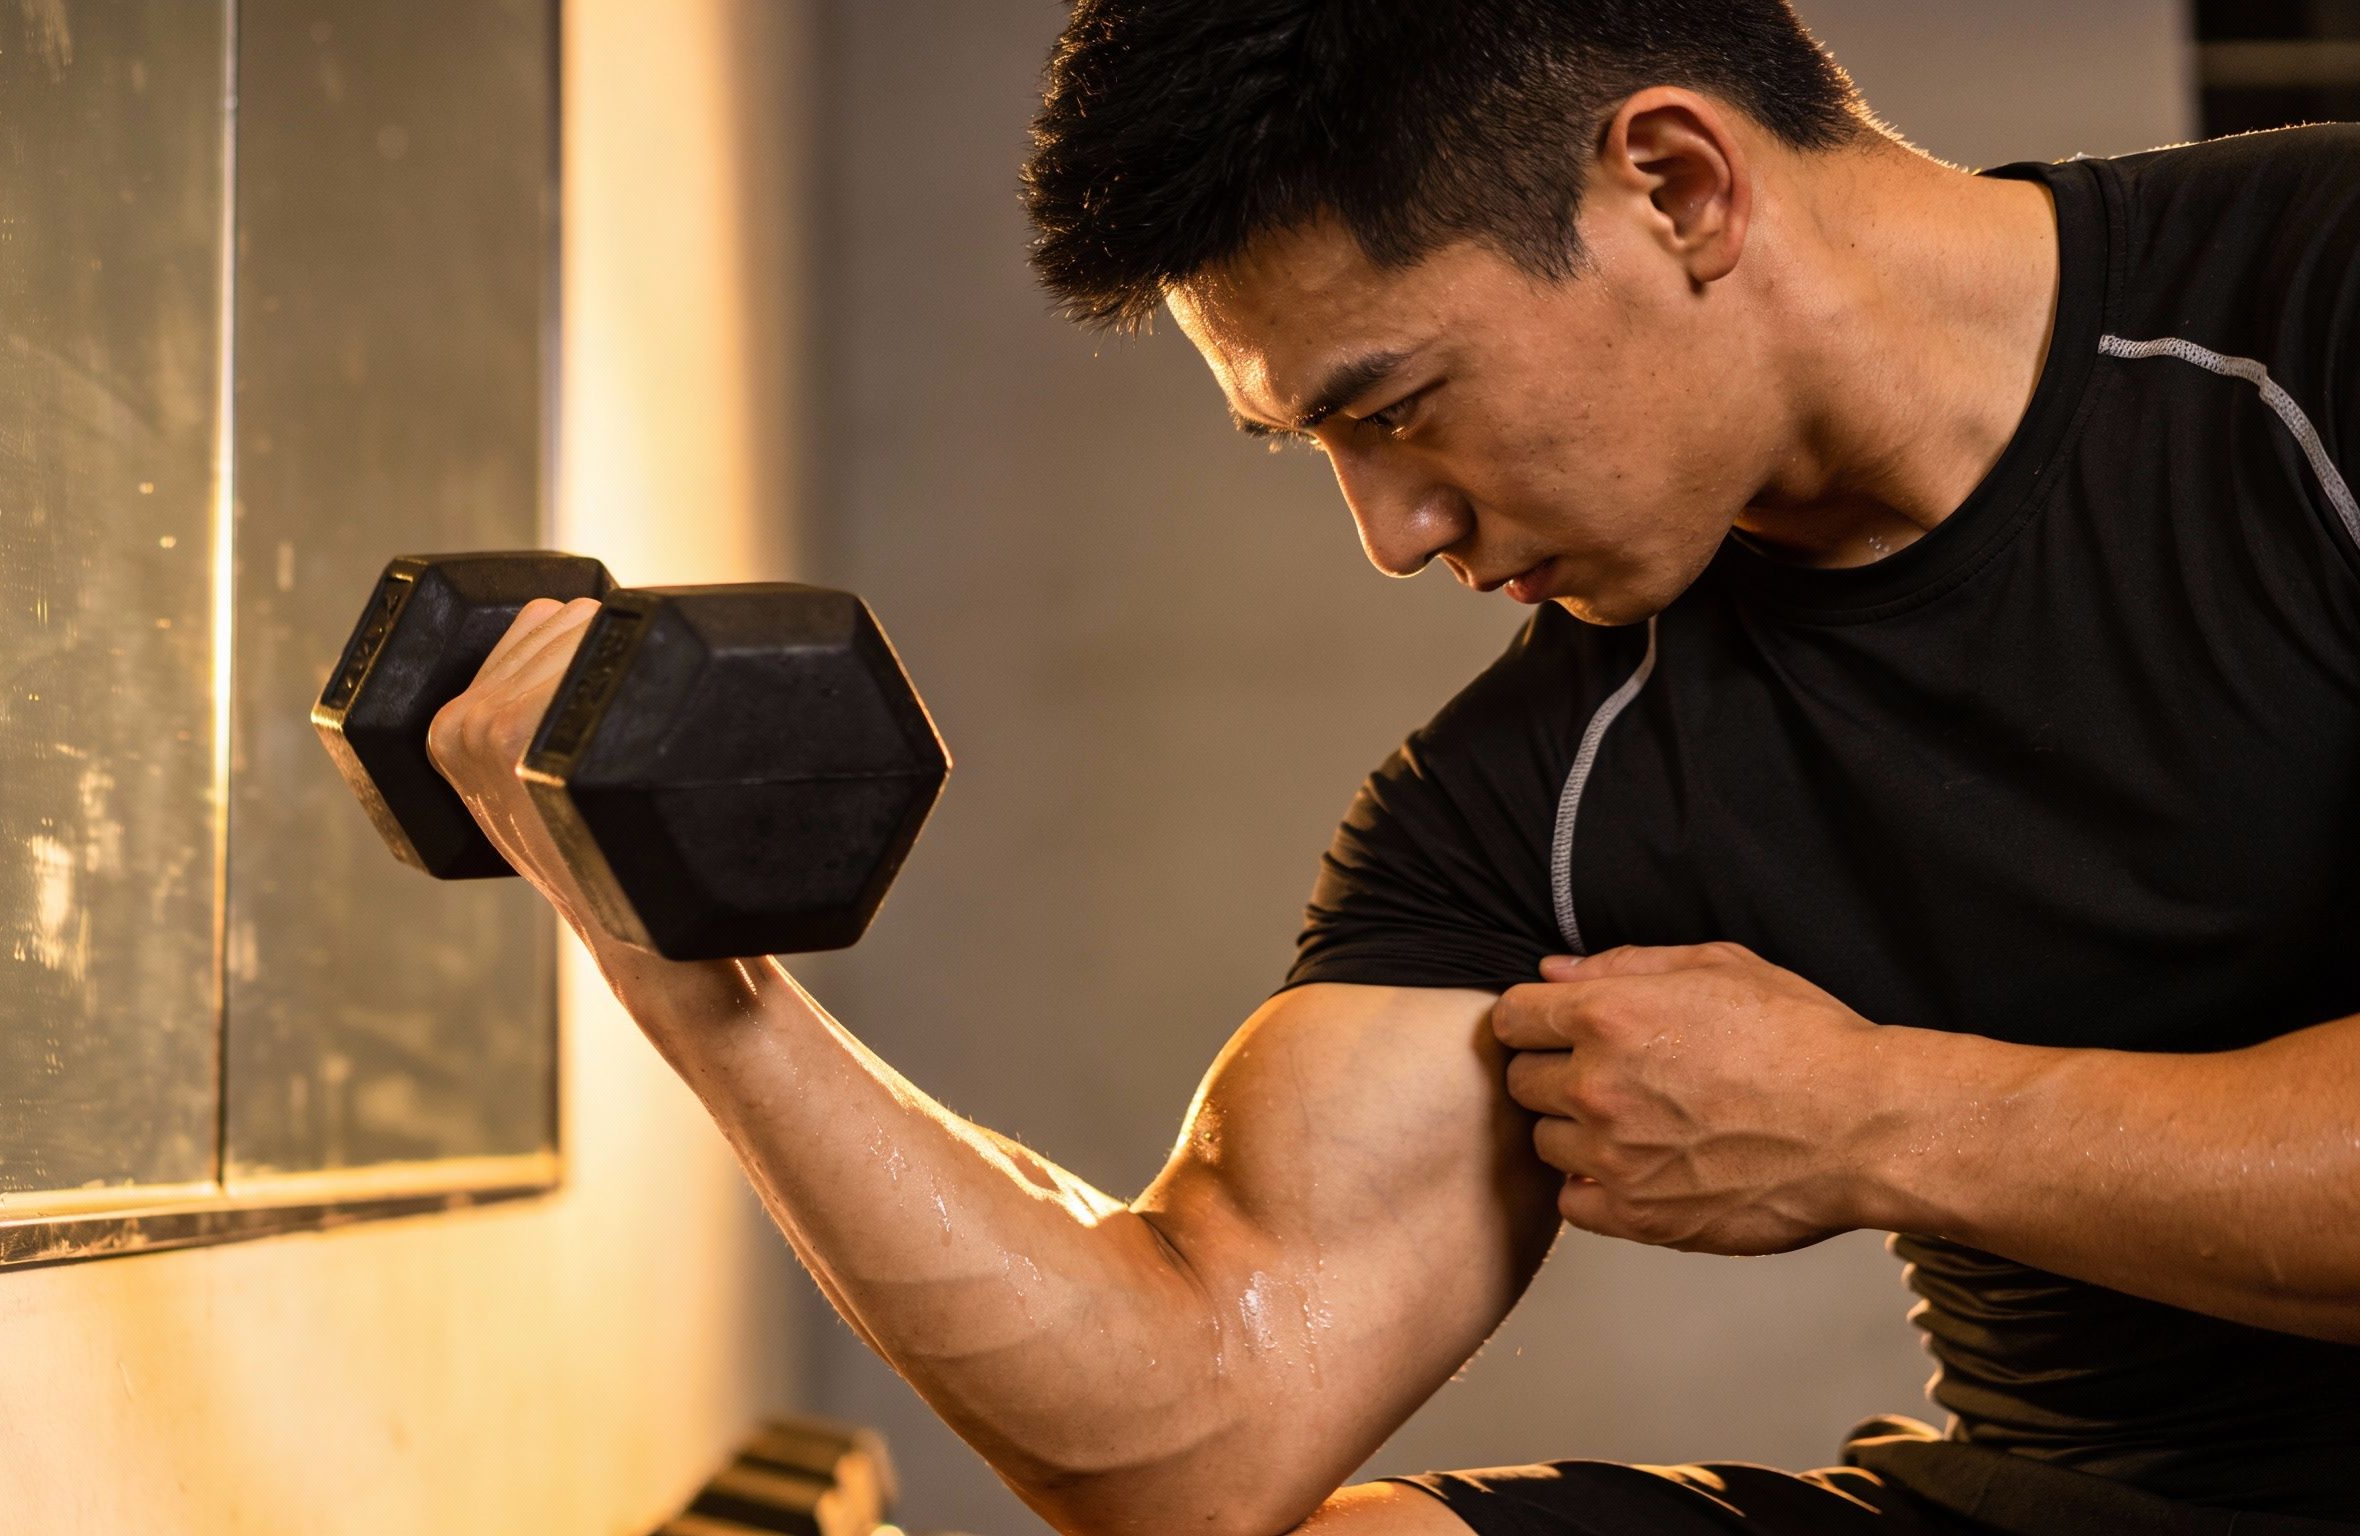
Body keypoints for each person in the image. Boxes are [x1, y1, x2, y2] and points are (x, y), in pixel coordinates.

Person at [428, 3, 2360, 1532]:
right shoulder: (1552, 777)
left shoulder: (2318, 307)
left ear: (1677, 189)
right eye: (1316, 450)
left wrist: (1871, 1121)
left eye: (1397, 404)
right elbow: (1192, 1433)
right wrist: (695, 981)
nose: (1391, 531)